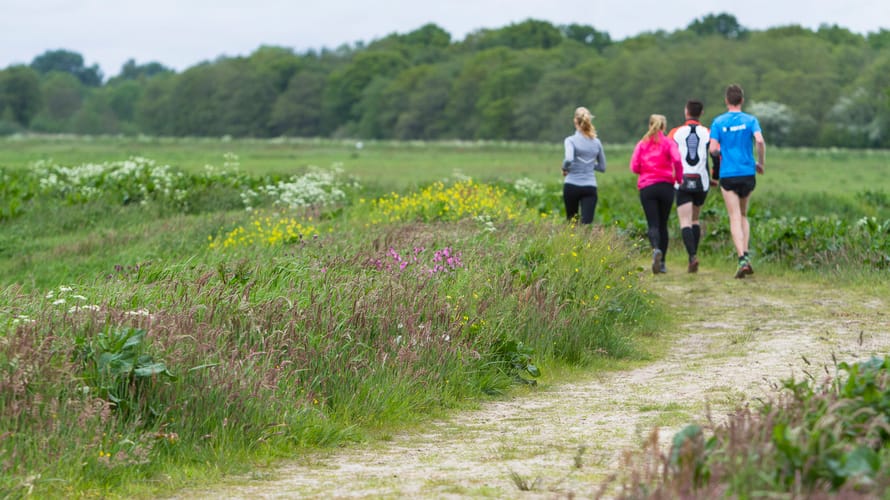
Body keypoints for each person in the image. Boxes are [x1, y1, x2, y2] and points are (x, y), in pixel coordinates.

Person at [708, 84, 766, 279]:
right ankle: (746, 254)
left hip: (728, 174)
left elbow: (713, 149)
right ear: (742, 100)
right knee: (743, 215)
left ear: (726, 100)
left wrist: (720, 153)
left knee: (733, 217)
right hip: (747, 172)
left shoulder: (718, 122)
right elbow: (759, 141)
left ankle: (742, 257)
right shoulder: (750, 120)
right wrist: (760, 162)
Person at [668, 100, 721, 273]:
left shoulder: (675, 132)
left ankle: (691, 256)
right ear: (701, 113)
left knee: (685, 221)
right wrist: (715, 176)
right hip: (702, 180)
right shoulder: (708, 132)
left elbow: (667, 153)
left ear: (686, 112)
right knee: (695, 220)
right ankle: (694, 254)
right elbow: (716, 154)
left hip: (681, 180)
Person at [630, 114, 683, 274]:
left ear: (649, 125)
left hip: (648, 187)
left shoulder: (642, 144)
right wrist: (678, 178)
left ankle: (655, 250)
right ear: (664, 127)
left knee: (652, 223)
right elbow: (678, 160)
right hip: (666, 186)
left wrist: (645, 170)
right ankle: (663, 263)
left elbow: (634, 167)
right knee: (663, 224)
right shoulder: (668, 143)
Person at [562, 106, 606, 225]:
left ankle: (571, 243)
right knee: (586, 224)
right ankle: (585, 243)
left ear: (575, 120)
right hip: (589, 186)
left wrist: (565, 168)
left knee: (572, 223)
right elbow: (602, 167)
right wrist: (590, 164)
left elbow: (569, 159)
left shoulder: (570, 140)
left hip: (571, 185)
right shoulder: (597, 142)